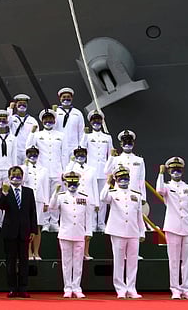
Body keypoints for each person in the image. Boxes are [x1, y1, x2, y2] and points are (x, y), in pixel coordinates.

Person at [157, 157, 188, 300]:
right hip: (173, 227)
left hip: (187, 227)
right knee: (174, 260)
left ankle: (187, 289)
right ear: (169, 171)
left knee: (186, 260)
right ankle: (175, 289)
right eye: (173, 170)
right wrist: (160, 173)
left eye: (178, 169)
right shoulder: (167, 187)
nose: (176, 172)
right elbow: (159, 189)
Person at [102, 165, 145, 299]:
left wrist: (141, 231)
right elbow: (103, 198)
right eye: (120, 178)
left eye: (125, 177)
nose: (123, 180)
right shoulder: (113, 193)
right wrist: (108, 183)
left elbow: (139, 215)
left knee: (133, 261)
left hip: (133, 231)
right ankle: (120, 289)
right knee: (119, 261)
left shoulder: (136, 195)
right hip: (117, 231)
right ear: (116, 179)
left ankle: (131, 288)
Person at [0, 165, 37, 298]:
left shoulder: (28, 192)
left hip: (25, 231)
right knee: (11, 261)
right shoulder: (4, 190)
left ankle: (23, 287)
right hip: (10, 231)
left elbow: (32, 212)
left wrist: (33, 230)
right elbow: (1, 206)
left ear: (23, 176)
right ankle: (12, 288)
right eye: (13, 175)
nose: (16, 177)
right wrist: (4, 193)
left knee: (24, 260)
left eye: (19, 175)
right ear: (9, 177)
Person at [50, 171, 90, 298]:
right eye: (70, 183)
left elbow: (88, 216)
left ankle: (77, 287)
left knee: (78, 263)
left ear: (78, 183)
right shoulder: (61, 196)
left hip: (79, 233)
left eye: (75, 183)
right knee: (67, 262)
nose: (72, 186)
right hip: (65, 233)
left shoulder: (84, 197)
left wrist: (88, 231)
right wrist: (55, 193)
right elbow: (52, 207)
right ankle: (67, 288)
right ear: (66, 183)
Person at [29, 109, 63, 231]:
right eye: (46, 119)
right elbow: (29, 148)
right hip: (42, 169)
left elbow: (64, 154)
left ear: (54, 120)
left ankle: (54, 221)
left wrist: (64, 170)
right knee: (45, 197)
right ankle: (45, 222)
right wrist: (32, 134)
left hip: (57, 169)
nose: (48, 121)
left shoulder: (61, 135)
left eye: (50, 119)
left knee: (56, 196)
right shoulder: (38, 135)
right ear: (42, 121)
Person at [64, 146, 100, 259]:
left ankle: (86, 252)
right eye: (78, 155)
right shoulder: (72, 168)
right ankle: (78, 252)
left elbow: (94, 185)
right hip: (76, 199)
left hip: (89, 199)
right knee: (77, 224)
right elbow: (65, 175)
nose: (80, 157)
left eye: (83, 155)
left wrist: (97, 202)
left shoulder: (91, 169)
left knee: (88, 226)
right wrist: (71, 162)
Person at [82, 111, 112, 231]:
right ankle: (93, 224)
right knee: (92, 198)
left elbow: (110, 154)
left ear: (102, 121)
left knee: (103, 198)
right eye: (94, 120)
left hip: (104, 171)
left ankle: (101, 223)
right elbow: (81, 150)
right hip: (91, 170)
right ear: (91, 122)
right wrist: (84, 135)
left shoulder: (107, 137)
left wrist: (111, 171)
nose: (96, 122)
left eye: (98, 120)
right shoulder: (88, 137)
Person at [21, 146, 49, 260]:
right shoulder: (22, 168)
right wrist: (26, 166)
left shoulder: (43, 169)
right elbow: (24, 180)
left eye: (35, 154)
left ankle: (36, 252)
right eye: (30, 154)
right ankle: (28, 252)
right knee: (27, 226)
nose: (32, 156)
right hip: (27, 200)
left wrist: (46, 201)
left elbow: (46, 185)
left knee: (37, 227)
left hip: (39, 200)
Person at [105, 129, 146, 199]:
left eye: (129, 142)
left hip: (134, 194)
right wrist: (111, 157)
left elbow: (141, 180)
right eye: (125, 142)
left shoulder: (139, 160)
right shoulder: (116, 159)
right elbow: (106, 172)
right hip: (118, 195)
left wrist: (143, 197)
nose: (127, 144)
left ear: (133, 143)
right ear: (121, 144)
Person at [53, 87, 85, 164]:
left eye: (68, 97)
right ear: (60, 98)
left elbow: (81, 132)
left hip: (74, 147)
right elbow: (52, 129)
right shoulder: (55, 112)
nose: (66, 99)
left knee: (74, 170)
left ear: (71, 98)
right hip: (59, 146)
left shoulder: (77, 113)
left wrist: (81, 147)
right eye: (64, 97)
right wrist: (53, 112)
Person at [8, 94, 39, 166]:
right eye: (20, 103)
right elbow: (7, 124)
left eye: (24, 104)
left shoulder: (32, 120)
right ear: (16, 105)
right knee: (15, 169)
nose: (22, 105)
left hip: (27, 149)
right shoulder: (12, 118)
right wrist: (10, 109)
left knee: (27, 170)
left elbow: (36, 136)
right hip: (15, 149)